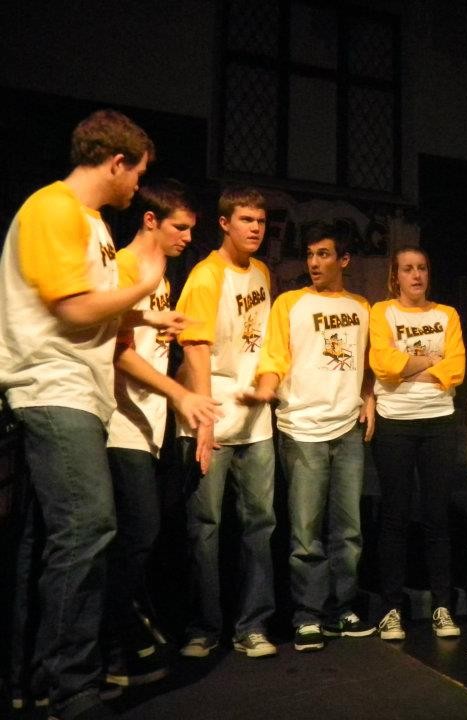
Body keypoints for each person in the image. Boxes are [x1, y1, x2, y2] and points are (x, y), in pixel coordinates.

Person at [0, 110, 189, 720]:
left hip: (79, 391)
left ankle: (39, 678)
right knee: (88, 528)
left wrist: (144, 316)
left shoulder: (93, 223)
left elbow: (96, 310)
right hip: (53, 388)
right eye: (137, 173)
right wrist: (145, 288)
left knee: (56, 540)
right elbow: (75, 311)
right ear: (116, 162)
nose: (138, 186)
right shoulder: (52, 209)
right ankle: (72, 687)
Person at [103, 181, 221, 686]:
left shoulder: (160, 275)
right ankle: (111, 645)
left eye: (192, 229)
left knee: (140, 537)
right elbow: (116, 349)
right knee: (135, 534)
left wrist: (164, 334)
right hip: (118, 420)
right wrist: (180, 394)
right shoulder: (126, 268)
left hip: (147, 423)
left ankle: (124, 640)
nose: (187, 237)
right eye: (179, 227)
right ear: (150, 221)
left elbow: (141, 342)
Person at [246, 225, 376, 651]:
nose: (315, 263)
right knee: (305, 532)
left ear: (344, 260)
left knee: (349, 530)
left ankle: (342, 609)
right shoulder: (290, 303)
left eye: (324, 255)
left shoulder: (361, 307)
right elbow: (274, 356)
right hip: (302, 428)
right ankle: (307, 615)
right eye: (310, 255)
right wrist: (266, 387)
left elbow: (368, 362)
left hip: (348, 428)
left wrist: (368, 398)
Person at [176, 187, 278, 660]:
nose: (255, 228)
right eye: (246, 220)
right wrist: (203, 420)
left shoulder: (261, 272)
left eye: (260, 220)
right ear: (224, 223)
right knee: (206, 523)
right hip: (212, 413)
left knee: (259, 523)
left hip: (255, 418)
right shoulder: (205, 275)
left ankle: (252, 625)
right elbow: (194, 345)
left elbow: (262, 343)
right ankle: (203, 627)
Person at [368, 246, 465, 641]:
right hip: (395, 423)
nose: (416, 275)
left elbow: (456, 367)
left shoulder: (448, 315)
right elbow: (382, 364)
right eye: (408, 269)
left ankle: (442, 605)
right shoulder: (382, 312)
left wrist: (408, 368)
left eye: (422, 268)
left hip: (439, 422)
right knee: (394, 516)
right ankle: (391, 608)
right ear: (396, 276)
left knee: (437, 517)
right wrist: (429, 365)